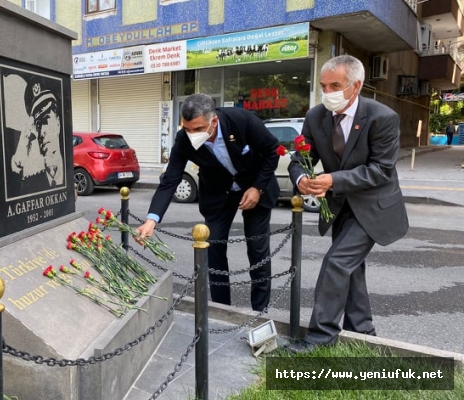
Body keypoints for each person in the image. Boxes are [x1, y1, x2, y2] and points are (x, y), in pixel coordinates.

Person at [285, 55, 408, 353]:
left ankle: (320, 338)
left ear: (356, 86)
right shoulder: (315, 117)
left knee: (336, 263)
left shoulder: (382, 117)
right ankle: (364, 332)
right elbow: (300, 159)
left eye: (335, 85)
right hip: (341, 208)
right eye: (323, 86)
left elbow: (381, 170)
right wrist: (301, 178)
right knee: (351, 269)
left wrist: (332, 181)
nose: (328, 92)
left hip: (373, 207)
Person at [135, 93, 281, 311]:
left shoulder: (242, 120)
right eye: (187, 128)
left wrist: (257, 188)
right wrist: (151, 220)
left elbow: (272, 151)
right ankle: (223, 310)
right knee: (213, 251)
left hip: (255, 188)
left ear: (214, 121)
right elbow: (170, 180)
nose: (192, 134)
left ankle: (260, 311)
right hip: (218, 195)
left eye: (198, 129)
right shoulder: (184, 139)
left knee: (257, 250)